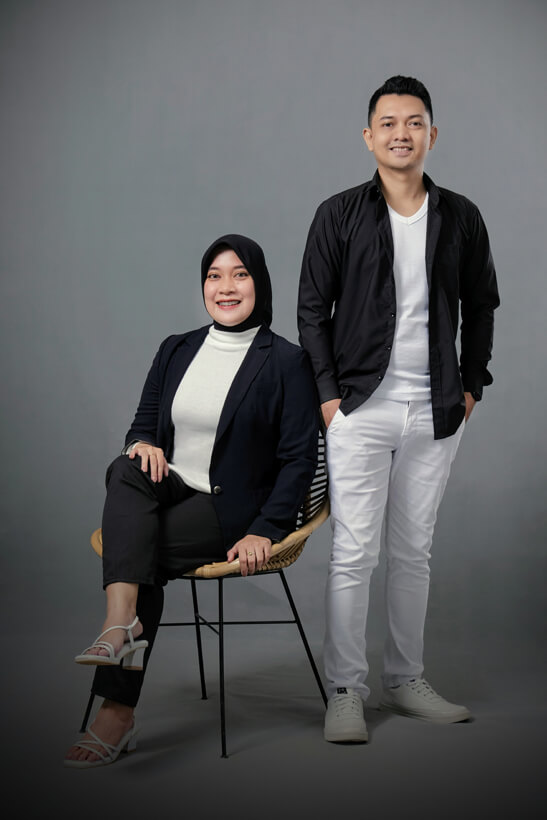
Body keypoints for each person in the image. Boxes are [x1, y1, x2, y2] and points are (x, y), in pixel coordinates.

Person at [65, 234, 319, 767]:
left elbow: (299, 458)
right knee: (126, 466)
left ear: (259, 283)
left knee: (139, 552)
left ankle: (116, 710)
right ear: (203, 285)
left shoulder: (287, 362)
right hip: (172, 485)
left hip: (231, 508)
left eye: (239, 274)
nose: (225, 287)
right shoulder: (176, 348)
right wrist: (144, 443)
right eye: (214, 276)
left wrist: (266, 528)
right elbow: (143, 422)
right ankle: (120, 623)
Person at [297, 76, 499, 743]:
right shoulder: (338, 214)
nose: (401, 133)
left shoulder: (461, 216)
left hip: (435, 407)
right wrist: (329, 398)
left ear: (431, 135)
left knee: (413, 552)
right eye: (387, 123)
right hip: (358, 406)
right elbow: (311, 310)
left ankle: (406, 679)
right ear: (368, 136)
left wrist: (471, 386)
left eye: (414, 122)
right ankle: (345, 692)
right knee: (353, 552)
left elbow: (482, 304)